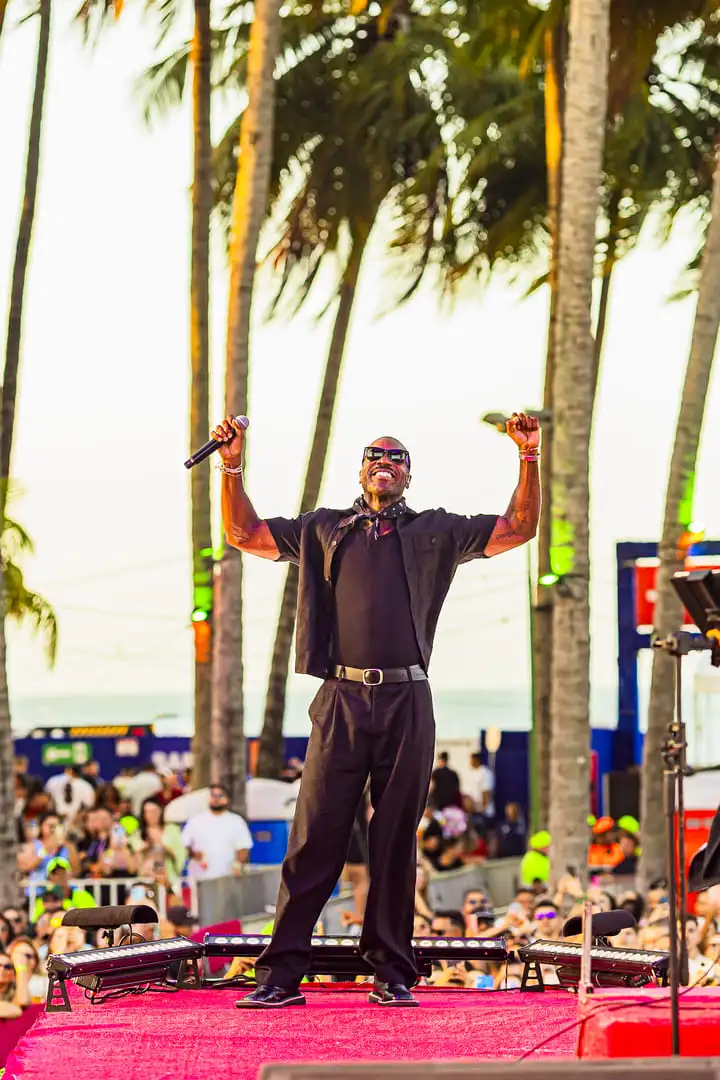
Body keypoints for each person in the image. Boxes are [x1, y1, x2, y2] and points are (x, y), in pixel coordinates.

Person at [210, 411, 540, 1008]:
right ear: (360, 469)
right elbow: (244, 534)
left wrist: (528, 456)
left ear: (409, 474)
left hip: (407, 699)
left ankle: (391, 973)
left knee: (394, 840)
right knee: (314, 837)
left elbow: (518, 528)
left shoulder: (436, 530)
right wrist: (231, 467)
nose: (384, 461)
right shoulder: (323, 528)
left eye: (396, 456)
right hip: (340, 699)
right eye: (374, 454)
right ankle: (281, 975)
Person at [181, 783, 253, 880]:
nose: (216, 799)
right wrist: (194, 854)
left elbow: (243, 847)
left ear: (228, 799)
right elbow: (185, 845)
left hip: (226, 877)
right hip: (199, 878)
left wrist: (237, 865)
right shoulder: (195, 820)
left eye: (220, 796)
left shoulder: (236, 821)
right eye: (213, 795)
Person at [467, 751, 495, 836]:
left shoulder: (484, 773)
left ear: (476, 760)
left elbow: (486, 791)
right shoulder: (473, 773)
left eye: (471, 760)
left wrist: (482, 808)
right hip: (475, 810)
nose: (470, 762)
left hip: (484, 812)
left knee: (483, 836)